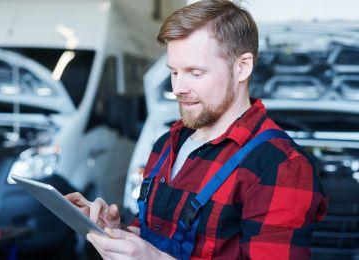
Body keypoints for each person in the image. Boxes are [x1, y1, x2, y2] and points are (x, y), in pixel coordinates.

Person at [66, 0, 328, 259]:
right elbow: (153, 235)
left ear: (242, 67)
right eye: (174, 72)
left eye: (195, 72)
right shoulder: (166, 144)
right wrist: (117, 232)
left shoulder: (278, 166)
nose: (178, 87)